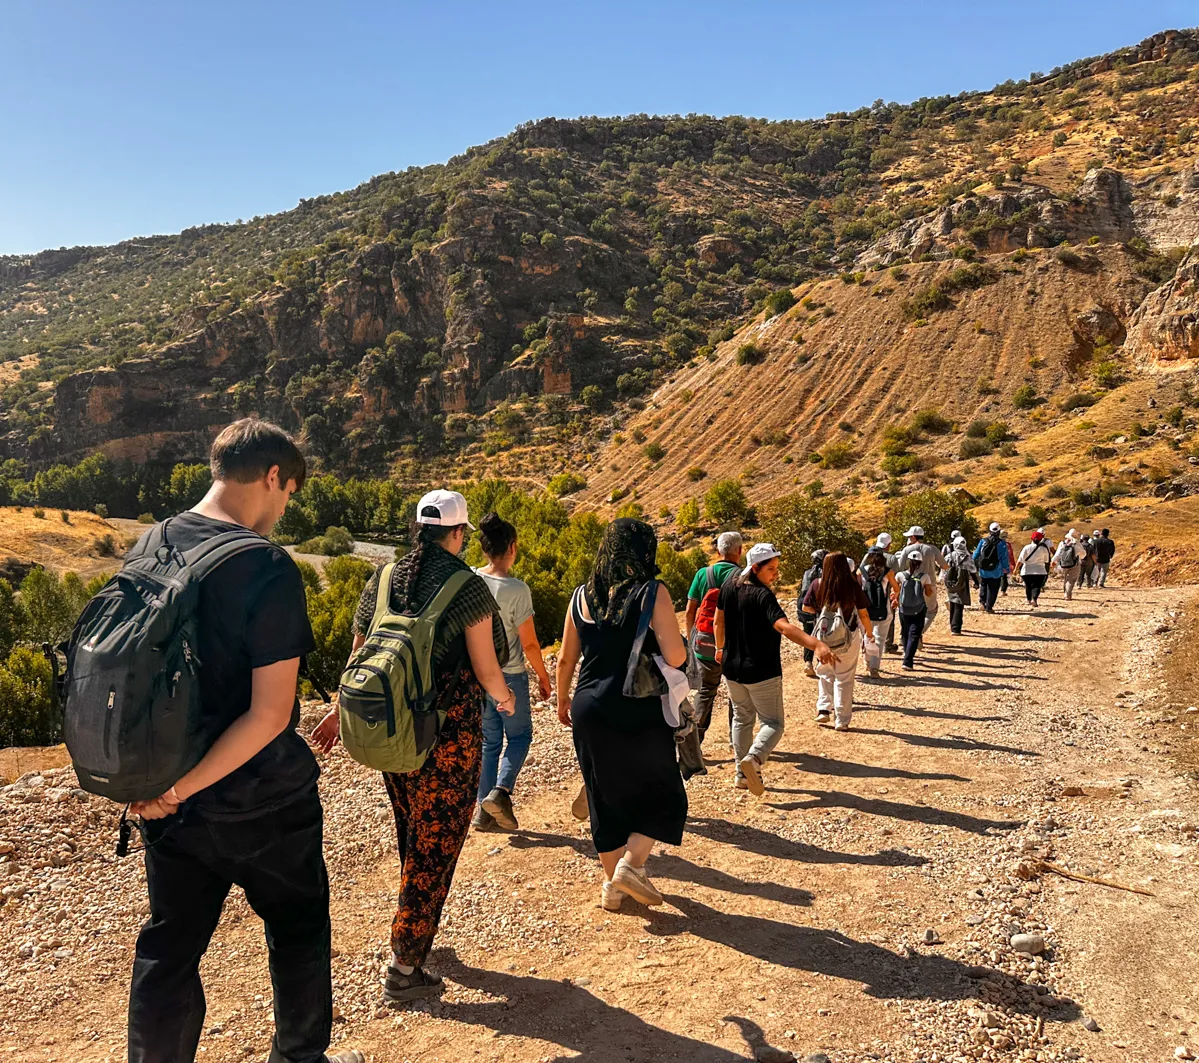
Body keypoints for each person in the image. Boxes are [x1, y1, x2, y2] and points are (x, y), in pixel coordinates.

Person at [126, 419, 364, 1063]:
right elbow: (269, 716)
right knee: (297, 927)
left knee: (170, 948)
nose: (283, 511)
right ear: (273, 477)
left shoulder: (151, 543)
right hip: (260, 800)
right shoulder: (265, 564)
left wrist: (160, 789)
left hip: (165, 799)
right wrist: (183, 788)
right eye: (287, 495)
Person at [315, 489, 513, 1002]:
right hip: (448, 737)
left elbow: (360, 656)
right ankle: (404, 964)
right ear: (457, 533)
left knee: (413, 830)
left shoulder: (382, 578)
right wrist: (506, 699)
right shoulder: (467, 587)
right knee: (438, 840)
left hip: (392, 729)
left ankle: (417, 928)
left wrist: (337, 711)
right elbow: (487, 665)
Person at [555, 518, 688, 911]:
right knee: (663, 789)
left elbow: (565, 659)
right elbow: (676, 656)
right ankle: (631, 865)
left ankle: (613, 887)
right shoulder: (652, 592)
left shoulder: (581, 596)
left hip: (588, 706)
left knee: (603, 796)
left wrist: (562, 701)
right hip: (637, 704)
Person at [714, 543, 838, 794]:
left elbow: (718, 621)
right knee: (773, 723)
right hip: (761, 670)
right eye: (771, 569)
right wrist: (816, 644)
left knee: (742, 718)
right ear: (755, 567)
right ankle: (754, 759)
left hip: (732, 667)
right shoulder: (763, 595)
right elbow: (783, 627)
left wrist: (720, 649)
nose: (776, 574)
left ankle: (741, 774)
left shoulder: (729, 586)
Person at [471, 512, 553, 832]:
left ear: (484, 549)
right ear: (513, 548)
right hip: (510, 676)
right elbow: (529, 643)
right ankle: (501, 792)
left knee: (489, 742)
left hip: (479, 675)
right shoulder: (517, 589)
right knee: (520, 736)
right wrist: (543, 677)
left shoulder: (471, 579)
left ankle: (482, 812)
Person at [680, 531, 743, 775]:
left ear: (718, 551)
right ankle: (737, 742)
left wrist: (691, 641)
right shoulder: (742, 576)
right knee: (737, 694)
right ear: (739, 551)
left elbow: (689, 610)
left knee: (705, 692)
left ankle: (695, 744)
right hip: (733, 646)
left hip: (704, 644)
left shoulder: (703, 574)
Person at [801, 552, 875, 730]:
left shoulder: (817, 584)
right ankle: (841, 720)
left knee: (825, 672)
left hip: (824, 637)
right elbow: (863, 613)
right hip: (847, 636)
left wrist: (823, 613)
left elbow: (805, 607)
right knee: (845, 678)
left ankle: (823, 710)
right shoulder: (852, 585)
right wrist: (869, 633)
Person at [895, 526, 947, 631]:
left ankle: (907, 634)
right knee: (931, 611)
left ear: (913, 537)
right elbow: (944, 566)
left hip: (909, 584)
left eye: (909, 537)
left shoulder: (907, 550)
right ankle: (918, 633)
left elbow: (899, 567)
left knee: (908, 610)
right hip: (929, 585)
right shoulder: (932, 549)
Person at [859, 547, 900, 676]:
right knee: (880, 639)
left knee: (867, 635)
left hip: (864, 610)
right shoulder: (888, 572)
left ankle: (867, 661)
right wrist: (894, 596)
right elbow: (896, 588)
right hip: (883, 609)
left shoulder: (861, 571)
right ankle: (874, 668)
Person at [895, 552, 935, 670]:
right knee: (914, 633)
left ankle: (906, 652)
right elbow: (928, 593)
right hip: (919, 608)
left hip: (903, 608)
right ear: (920, 563)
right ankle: (907, 661)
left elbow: (895, 590)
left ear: (908, 562)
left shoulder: (900, 575)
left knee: (905, 630)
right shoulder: (924, 576)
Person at [797, 549, 827, 678]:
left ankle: (808, 663)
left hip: (804, 608)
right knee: (822, 636)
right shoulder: (825, 574)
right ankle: (821, 663)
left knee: (808, 635)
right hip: (819, 610)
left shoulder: (807, 573)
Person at [973, 522, 1010, 613]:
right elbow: (1004, 558)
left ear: (989, 531)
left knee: (984, 585)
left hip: (983, 569)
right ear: (999, 532)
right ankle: (989, 607)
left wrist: (976, 564)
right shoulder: (1002, 543)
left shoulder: (983, 541)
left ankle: (982, 603)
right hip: (996, 570)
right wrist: (1006, 568)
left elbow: (975, 555)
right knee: (993, 588)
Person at [942, 535, 976, 634]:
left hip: (950, 580)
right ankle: (956, 628)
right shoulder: (967, 557)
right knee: (959, 603)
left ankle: (952, 625)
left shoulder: (949, 556)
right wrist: (976, 582)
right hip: (962, 581)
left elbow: (943, 568)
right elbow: (973, 570)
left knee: (952, 601)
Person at [1016, 530, 1052, 608]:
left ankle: (1029, 600)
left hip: (1027, 571)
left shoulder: (1026, 547)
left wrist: (1015, 569)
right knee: (1037, 586)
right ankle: (1034, 599)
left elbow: (1020, 560)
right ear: (1041, 539)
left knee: (1028, 586)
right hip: (1040, 571)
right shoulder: (1044, 549)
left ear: (1031, 538)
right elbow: (1046, 560)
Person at [1053, 529, 1084, 601]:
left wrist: (1054, 561)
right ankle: (1067, 595)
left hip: (1063, 564)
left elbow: (1058, 554)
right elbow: (1083, 554)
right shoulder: (1077, 544)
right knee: (1071, 579)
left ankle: (1066, 592)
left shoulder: (1062, 543)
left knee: (1065, 579)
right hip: (1075, 564)